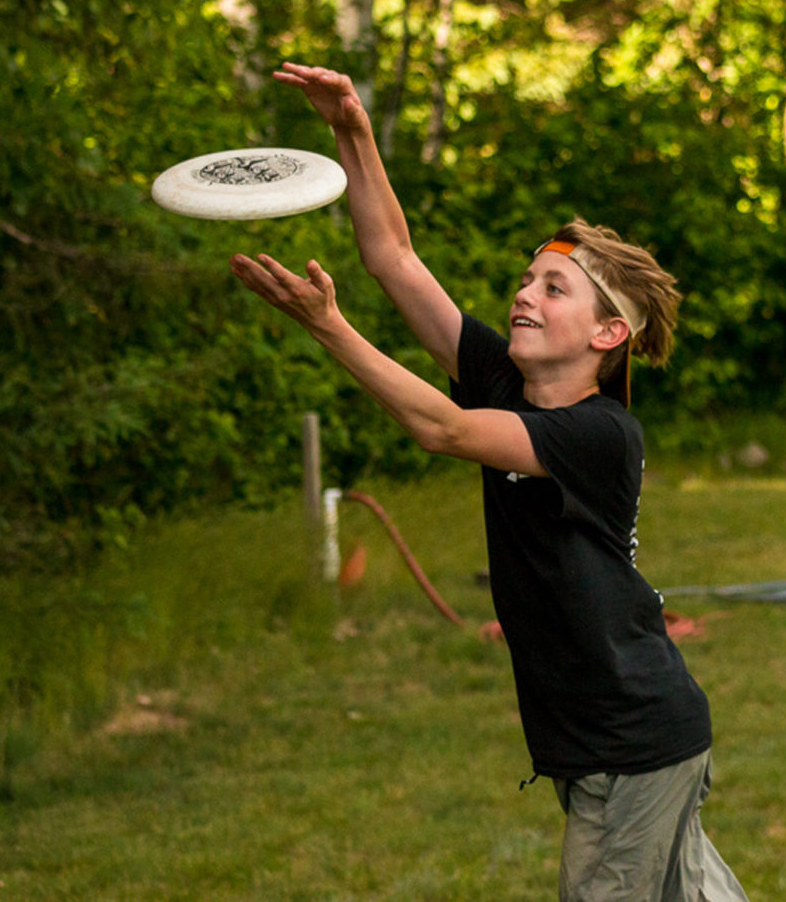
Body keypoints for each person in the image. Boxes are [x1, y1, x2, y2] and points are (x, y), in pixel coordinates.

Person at [231, 63, 748, 902]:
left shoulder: (598, 432)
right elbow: (393, 258)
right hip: (618, 738)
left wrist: (329, 327)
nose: (523, 293)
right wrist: (353, 129)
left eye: (555, 287)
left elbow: (441, 428)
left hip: (630, 741)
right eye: (527, 277)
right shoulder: (507, 381)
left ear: (609, 331)